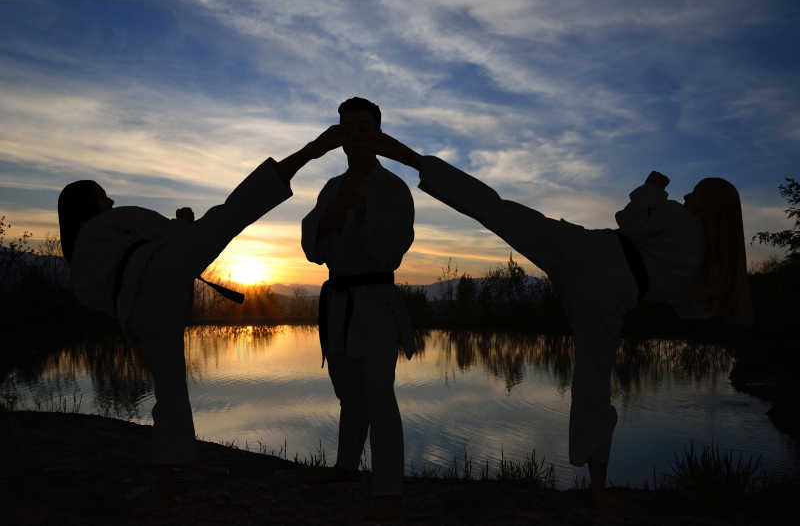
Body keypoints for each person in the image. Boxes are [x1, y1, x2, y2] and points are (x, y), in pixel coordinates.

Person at [361, 131, 753, 509]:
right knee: (592, 387)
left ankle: (410, 157)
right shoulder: (706, 263)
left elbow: (627, 220)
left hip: (587, 255)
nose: (687, 194)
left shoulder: (681, 219)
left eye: (695, 191)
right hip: (609, 298)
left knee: (494, 208)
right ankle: (599, 489)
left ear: (707, 204)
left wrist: (651, 188)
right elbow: (676, 302)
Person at [57, 126, 344, 505]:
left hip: (138, 317)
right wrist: (182, 231)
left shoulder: (78, 264)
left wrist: (170, 247)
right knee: (232, 212)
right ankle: (311, 151)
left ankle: (167, 478)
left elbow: (102, 297)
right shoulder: (112, 221)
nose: (111, 202)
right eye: (103, 197)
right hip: (162, 278)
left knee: (170, 392)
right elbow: (164, 233)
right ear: (89, 207)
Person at [301, 97, 415, 521]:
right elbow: (314, 248)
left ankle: (389, 488)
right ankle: (347, 467)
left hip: (375, 301)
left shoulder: (392, 188)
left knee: (379, 394)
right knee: (347, 391)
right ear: (340, 136)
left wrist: (363, 210)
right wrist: (334, 212)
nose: (355, 136)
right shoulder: (331, 187)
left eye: (364, 127)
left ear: (378, 134)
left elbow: (392, 250)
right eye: (347, 128)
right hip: (337, 300)